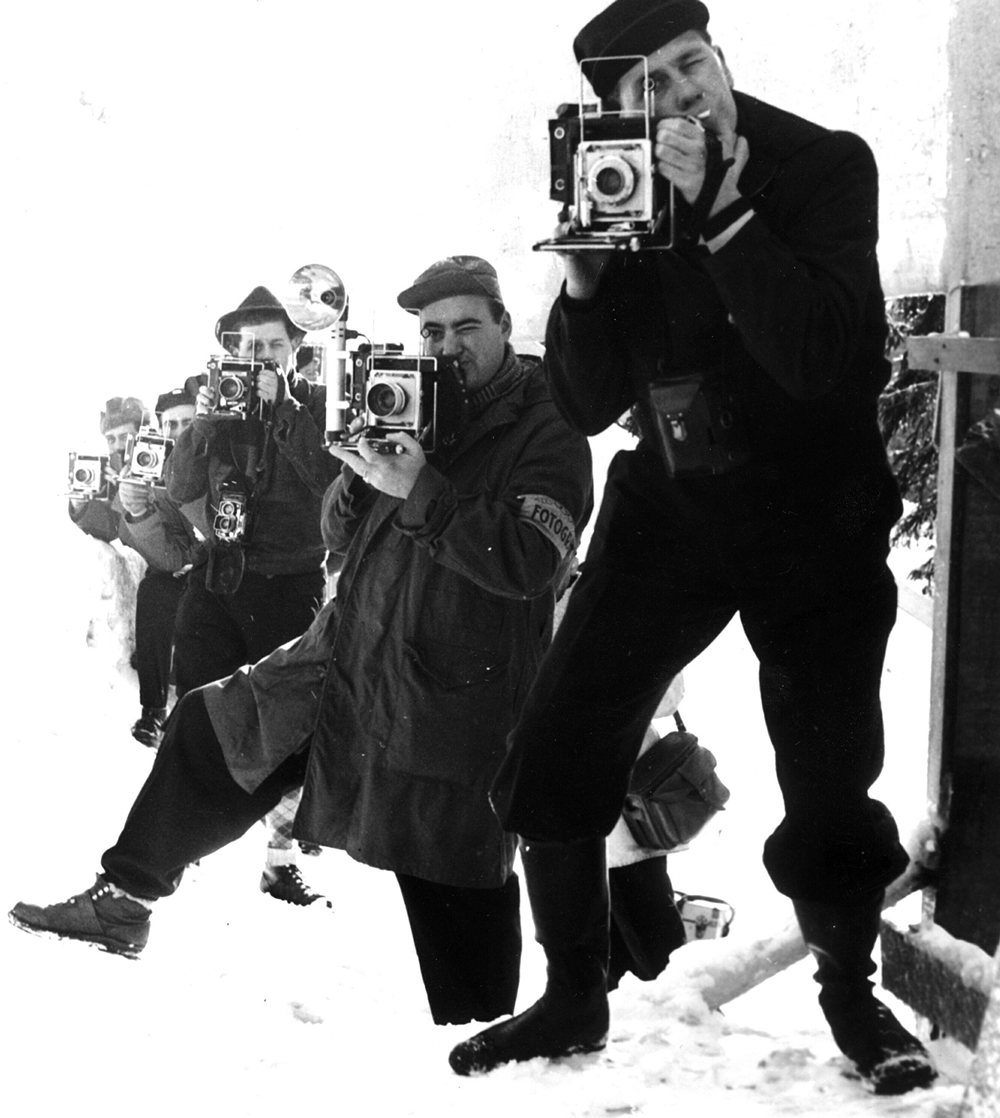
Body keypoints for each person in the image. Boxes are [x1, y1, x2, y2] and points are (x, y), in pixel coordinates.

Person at [448, 1, 937, 1097]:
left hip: (814, 513)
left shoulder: (819, 166)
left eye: (690, 66)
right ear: (615, 113)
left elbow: (825, 359)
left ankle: (851, 995)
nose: (682, 98)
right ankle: (575, 993)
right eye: (651, 90)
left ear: (720, 57)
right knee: (557, 737)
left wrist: (719, 211)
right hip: (673, 508)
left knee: (827, 771)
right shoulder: (611, 189)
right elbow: (580, 403)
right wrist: (579, 281)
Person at [9, 256, 594, 1029]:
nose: (446, 345)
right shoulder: (411, 406)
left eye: (465, 327)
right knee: (214, 727)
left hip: (455, 680)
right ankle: (124, 902)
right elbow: (336, 530)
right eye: (431, 330)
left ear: (502, 325)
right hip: (343, 651)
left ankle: (491, 1038)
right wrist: (359, 473)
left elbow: (530, 558)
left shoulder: (545, 420)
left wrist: (415, 486)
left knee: (447, 858)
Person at [164, 285, 340, 905]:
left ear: (296, 348)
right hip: (218, 582)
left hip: (289, 586)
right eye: (247, 345)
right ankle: (177, 843)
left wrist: (287, 413)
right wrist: (205, 424)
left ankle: (280, 857)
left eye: (271, 344)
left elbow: (333, 488)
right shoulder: (218, 405)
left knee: (289, 728)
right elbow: (176, 485)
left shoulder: (321, 405)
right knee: (194, 713)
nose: (258, 356)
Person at [68, 395, 202, 747]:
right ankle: (154, 710)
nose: (117, 446)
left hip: (202, 564)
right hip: (166, 569)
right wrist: (82, 505)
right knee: (154, 594)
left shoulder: (177, 461)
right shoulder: (120, 474)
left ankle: (193, 717)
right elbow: (112, 527)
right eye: (110, 439)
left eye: (124, 437)